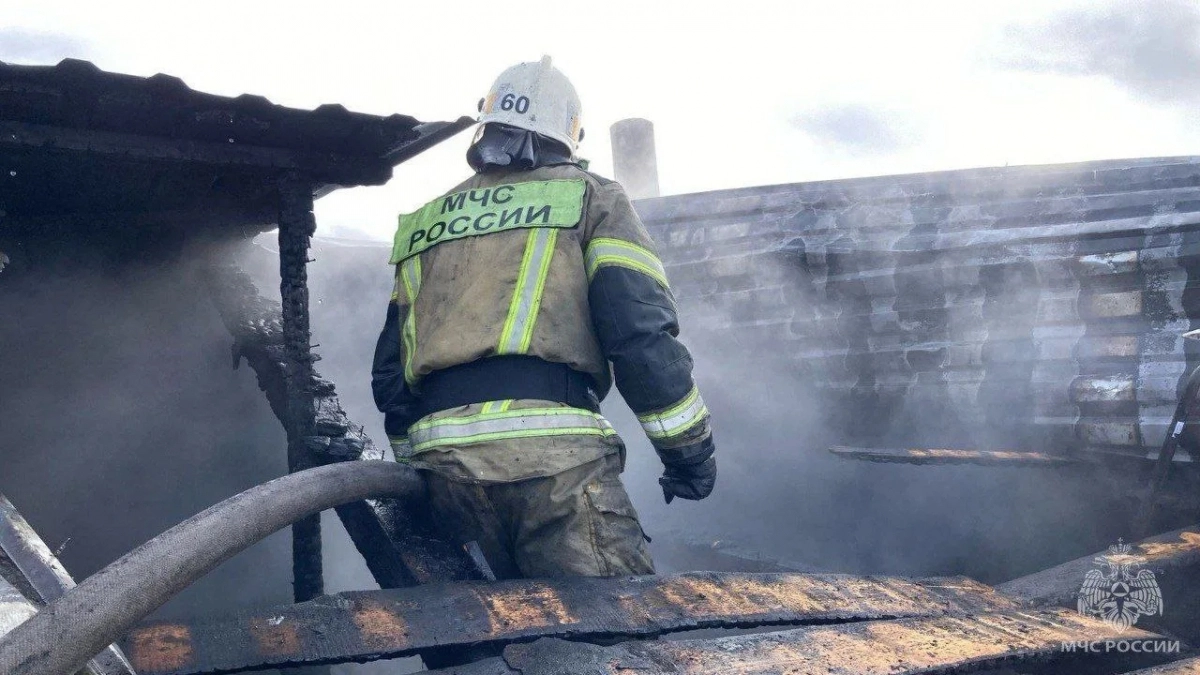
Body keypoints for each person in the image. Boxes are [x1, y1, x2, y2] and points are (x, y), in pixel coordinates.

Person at [372, 56, 715, 580]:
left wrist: (416, 465)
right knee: (611, 641)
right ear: (570, 133)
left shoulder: (430, 220)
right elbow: (640, 334)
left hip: (445, 475)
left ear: (488, 121)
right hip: (557, 471)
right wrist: (688, 454)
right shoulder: (592, 197)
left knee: (488, 644)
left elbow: (390, 369)